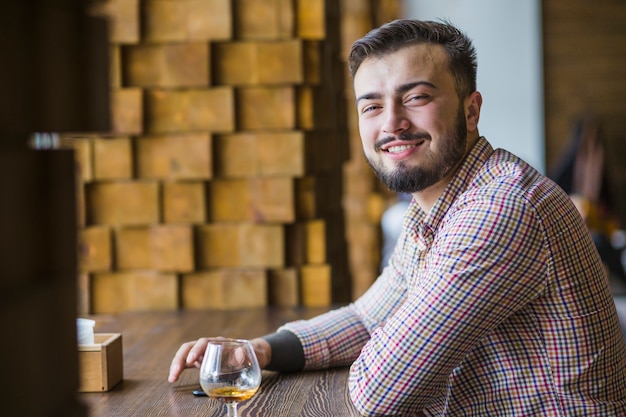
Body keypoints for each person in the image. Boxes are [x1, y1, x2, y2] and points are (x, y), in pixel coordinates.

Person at [169, 19, 626, 416]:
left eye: (416, 97)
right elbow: (369, 318)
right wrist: (258, 350)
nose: (391, 123)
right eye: (371, 106)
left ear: (471, 110)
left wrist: (396, 345)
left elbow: (379, 391)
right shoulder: (436, 203)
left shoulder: (498, 209)